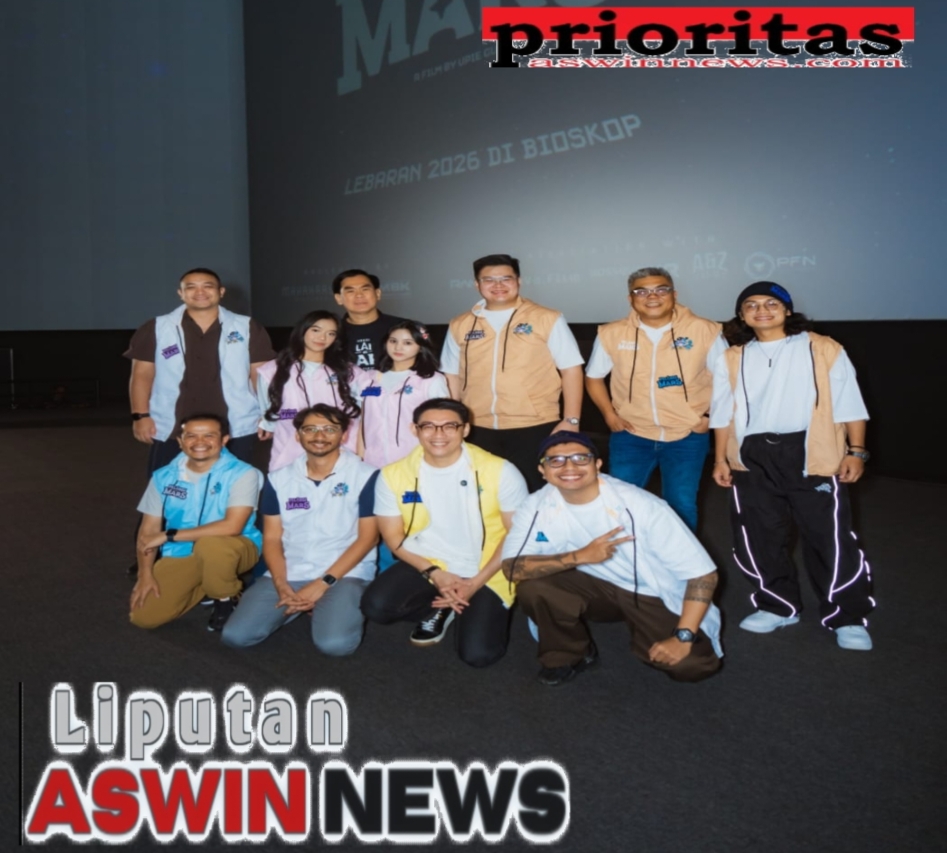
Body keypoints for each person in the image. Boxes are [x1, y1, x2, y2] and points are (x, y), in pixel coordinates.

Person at [710, 281, 874, 651]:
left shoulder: (822, 347)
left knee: (829, 537)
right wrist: (721, 458)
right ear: (742, 315)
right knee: (759, 535)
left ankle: (846, 616)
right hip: (752, 455)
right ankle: (777, 605)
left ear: (787, 310)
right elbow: (721, 413)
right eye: (751, 305)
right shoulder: (731, 357)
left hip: (810, 450)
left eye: (771, 303)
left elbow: (850, 402)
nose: (761, 310)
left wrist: (856, 451)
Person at [502, 432, 723, 686]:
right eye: (556, 460)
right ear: (543, 471)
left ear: (597, 464)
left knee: (692, 665)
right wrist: (581, 556)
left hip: (651, 591)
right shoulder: (536, 506)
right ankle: (568, 655)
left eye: (580, 458)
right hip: (593, 585)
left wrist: (683, 636)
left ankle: (648, 631)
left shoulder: (642, 506)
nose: (569, 467)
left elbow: (703, 575)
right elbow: (511, 568)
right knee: (534, 586)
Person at [360, 398, 528, 666]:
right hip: (430, 562)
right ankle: (440, 606)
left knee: (479, 655)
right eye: (428, 426)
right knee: (376, 606)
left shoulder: (500, 470)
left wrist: (475, 583)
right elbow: (393, 539)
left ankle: (459, 606)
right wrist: (434, 573)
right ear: (414, 429)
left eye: (450, 426)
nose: (439, 434)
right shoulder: (392, 475)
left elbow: (516, 535)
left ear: (466, 429)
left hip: (487, 568)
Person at [222, 405, 379, 655]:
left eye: (329, 429)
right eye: (310, 429)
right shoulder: (278, 479)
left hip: (346, 573)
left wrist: (322, 584)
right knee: (236, 636)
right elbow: (272, 538)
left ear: (343, 435)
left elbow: (368, 539)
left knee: (335, 645)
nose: (320, 436)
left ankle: (330, 601)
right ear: (298, 435)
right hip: (293, 570)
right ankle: (301, 603)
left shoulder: (367, 476)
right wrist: (281, 583)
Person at [585, 267, 727, 532]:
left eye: (661, 289)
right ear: (630, 298)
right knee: (620, 504)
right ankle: (626, 558)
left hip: (687, 435)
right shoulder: (612, 333)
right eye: (642, 291)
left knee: (681, 505)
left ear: (674, 294)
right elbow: (593, 377)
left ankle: (681, 559)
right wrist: (609, 414)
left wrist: (708, 417)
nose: (652, 296)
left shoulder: (704, 330)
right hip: (631, 434)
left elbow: (727, 381)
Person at [441, 254, 584, 491]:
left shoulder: (547, 318)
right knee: (483, 493)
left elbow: (571, 369)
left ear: (518, 281)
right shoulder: (460, 323)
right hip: (477, 426)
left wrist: (571, 420)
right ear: (477, 284)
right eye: (489, 280)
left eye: (506, 278)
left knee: (537, 493)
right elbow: (451, 375)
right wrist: (453, 421)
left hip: (535, 425)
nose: (498, 285)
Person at [124, 267, 274, 472]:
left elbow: (261, 375)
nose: (200, 292)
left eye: (207, 286)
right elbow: (141, 375)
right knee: (168, 485)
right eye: (191, 287)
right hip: (172, 425)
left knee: (233, 484)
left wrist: (268, 414)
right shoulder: (157, 327)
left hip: (234, 424)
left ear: (221, 291)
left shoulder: (247, 327)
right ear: (181, 293)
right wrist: (140, 416)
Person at [129, 414, 263, 633]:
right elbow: (148, 530)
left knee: (211, 546)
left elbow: (232, 527)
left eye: (209, 435)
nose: (199, 442)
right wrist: (145, 574)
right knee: (144, 617)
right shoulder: (162, 477)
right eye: (191, 436)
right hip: (181, 552)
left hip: (234, 546)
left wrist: (168, 535)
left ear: (224, 440)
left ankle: (225, 598)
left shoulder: (243, 473)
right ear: (180, 441)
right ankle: (208, 582)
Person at [256, 310, 362, 470]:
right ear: (302, 330)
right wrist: (268, 424)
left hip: (343, 453)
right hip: (290, 455)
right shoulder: (271, 371)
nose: (322, 338)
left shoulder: (348, 371)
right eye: (316, 330)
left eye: (331, 333)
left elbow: (368, 403)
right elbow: (269, 413)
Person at [357, 320, 451, 469]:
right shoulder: (368, 378)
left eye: (408, 343)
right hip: (372, 462)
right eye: (393, 341)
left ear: (421, 347)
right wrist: (359, 459)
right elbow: (364, 423)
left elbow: (442, 422)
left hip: (415, 461)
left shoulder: (431, 380)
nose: (398, 347)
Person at [333, 269, 408, 369]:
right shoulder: (332, 333)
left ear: (377, 294)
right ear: (339, 298)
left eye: (365, 289)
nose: (359, 295)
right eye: (350, 291)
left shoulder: (405, 327)